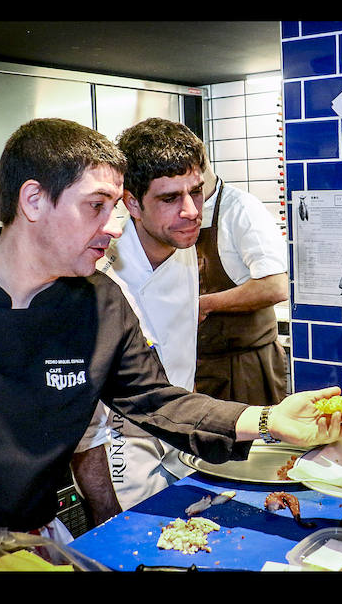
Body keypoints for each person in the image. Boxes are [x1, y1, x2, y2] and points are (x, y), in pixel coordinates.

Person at [0, 117, 342, 571]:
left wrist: (271, 419)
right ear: (33, 200)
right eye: (97, 206)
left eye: (116, 208)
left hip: (22, 543)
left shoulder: (98, 302)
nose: (115, 227)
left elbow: (161, 402)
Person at [79, 117, 206, 510]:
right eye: (169, 198)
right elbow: (88, 413)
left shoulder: (181, 247)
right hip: (122, 448)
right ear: (132, 203)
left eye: (197, 192)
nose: (190, 211)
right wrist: (104, 507)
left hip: (179, 440)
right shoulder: (99, 268)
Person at [195, 155, 289, 406]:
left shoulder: (241, 209)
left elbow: (275, 286)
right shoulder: (182, 217)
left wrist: (204, 304)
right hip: (199, 364)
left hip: (244, 367)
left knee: (253, 444)